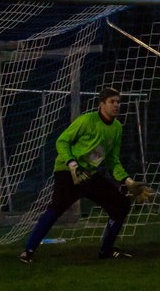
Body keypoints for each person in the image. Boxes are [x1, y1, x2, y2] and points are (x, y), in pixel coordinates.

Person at [19, 88, 144, 263]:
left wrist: (128, 181)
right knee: (56, 209)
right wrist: (72, 163)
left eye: (118, 102)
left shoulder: (116, 128)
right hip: (66, 171)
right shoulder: (86, 120)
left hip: (88, 174)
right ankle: (28, 251)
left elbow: (113, 160)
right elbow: (62, 141)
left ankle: (106, 251)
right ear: (101, 104)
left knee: (121, 204)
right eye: (112, 102)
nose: (116, 105)